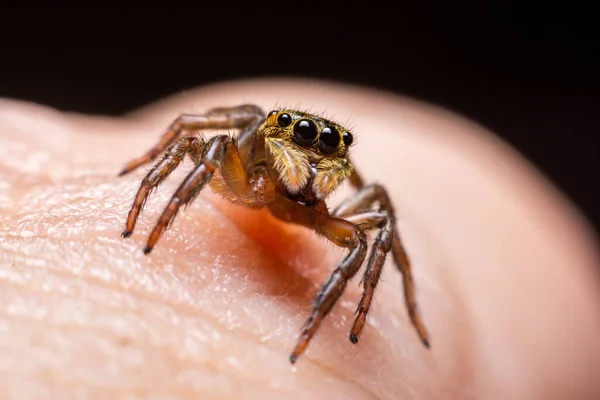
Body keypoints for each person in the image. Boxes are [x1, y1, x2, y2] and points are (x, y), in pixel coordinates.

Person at [1, 78, 599, 399]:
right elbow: (192, 129)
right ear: (278, 137)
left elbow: (374, 214)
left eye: (329, 147)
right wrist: (144, 195)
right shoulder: (247, 159)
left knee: (378, 225)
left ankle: (337, 319)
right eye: (300, 137)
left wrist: (394, 308)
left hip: (307, 220)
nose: (313, 152)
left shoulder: (340, 201)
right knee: (204, 140)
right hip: (252, 192)